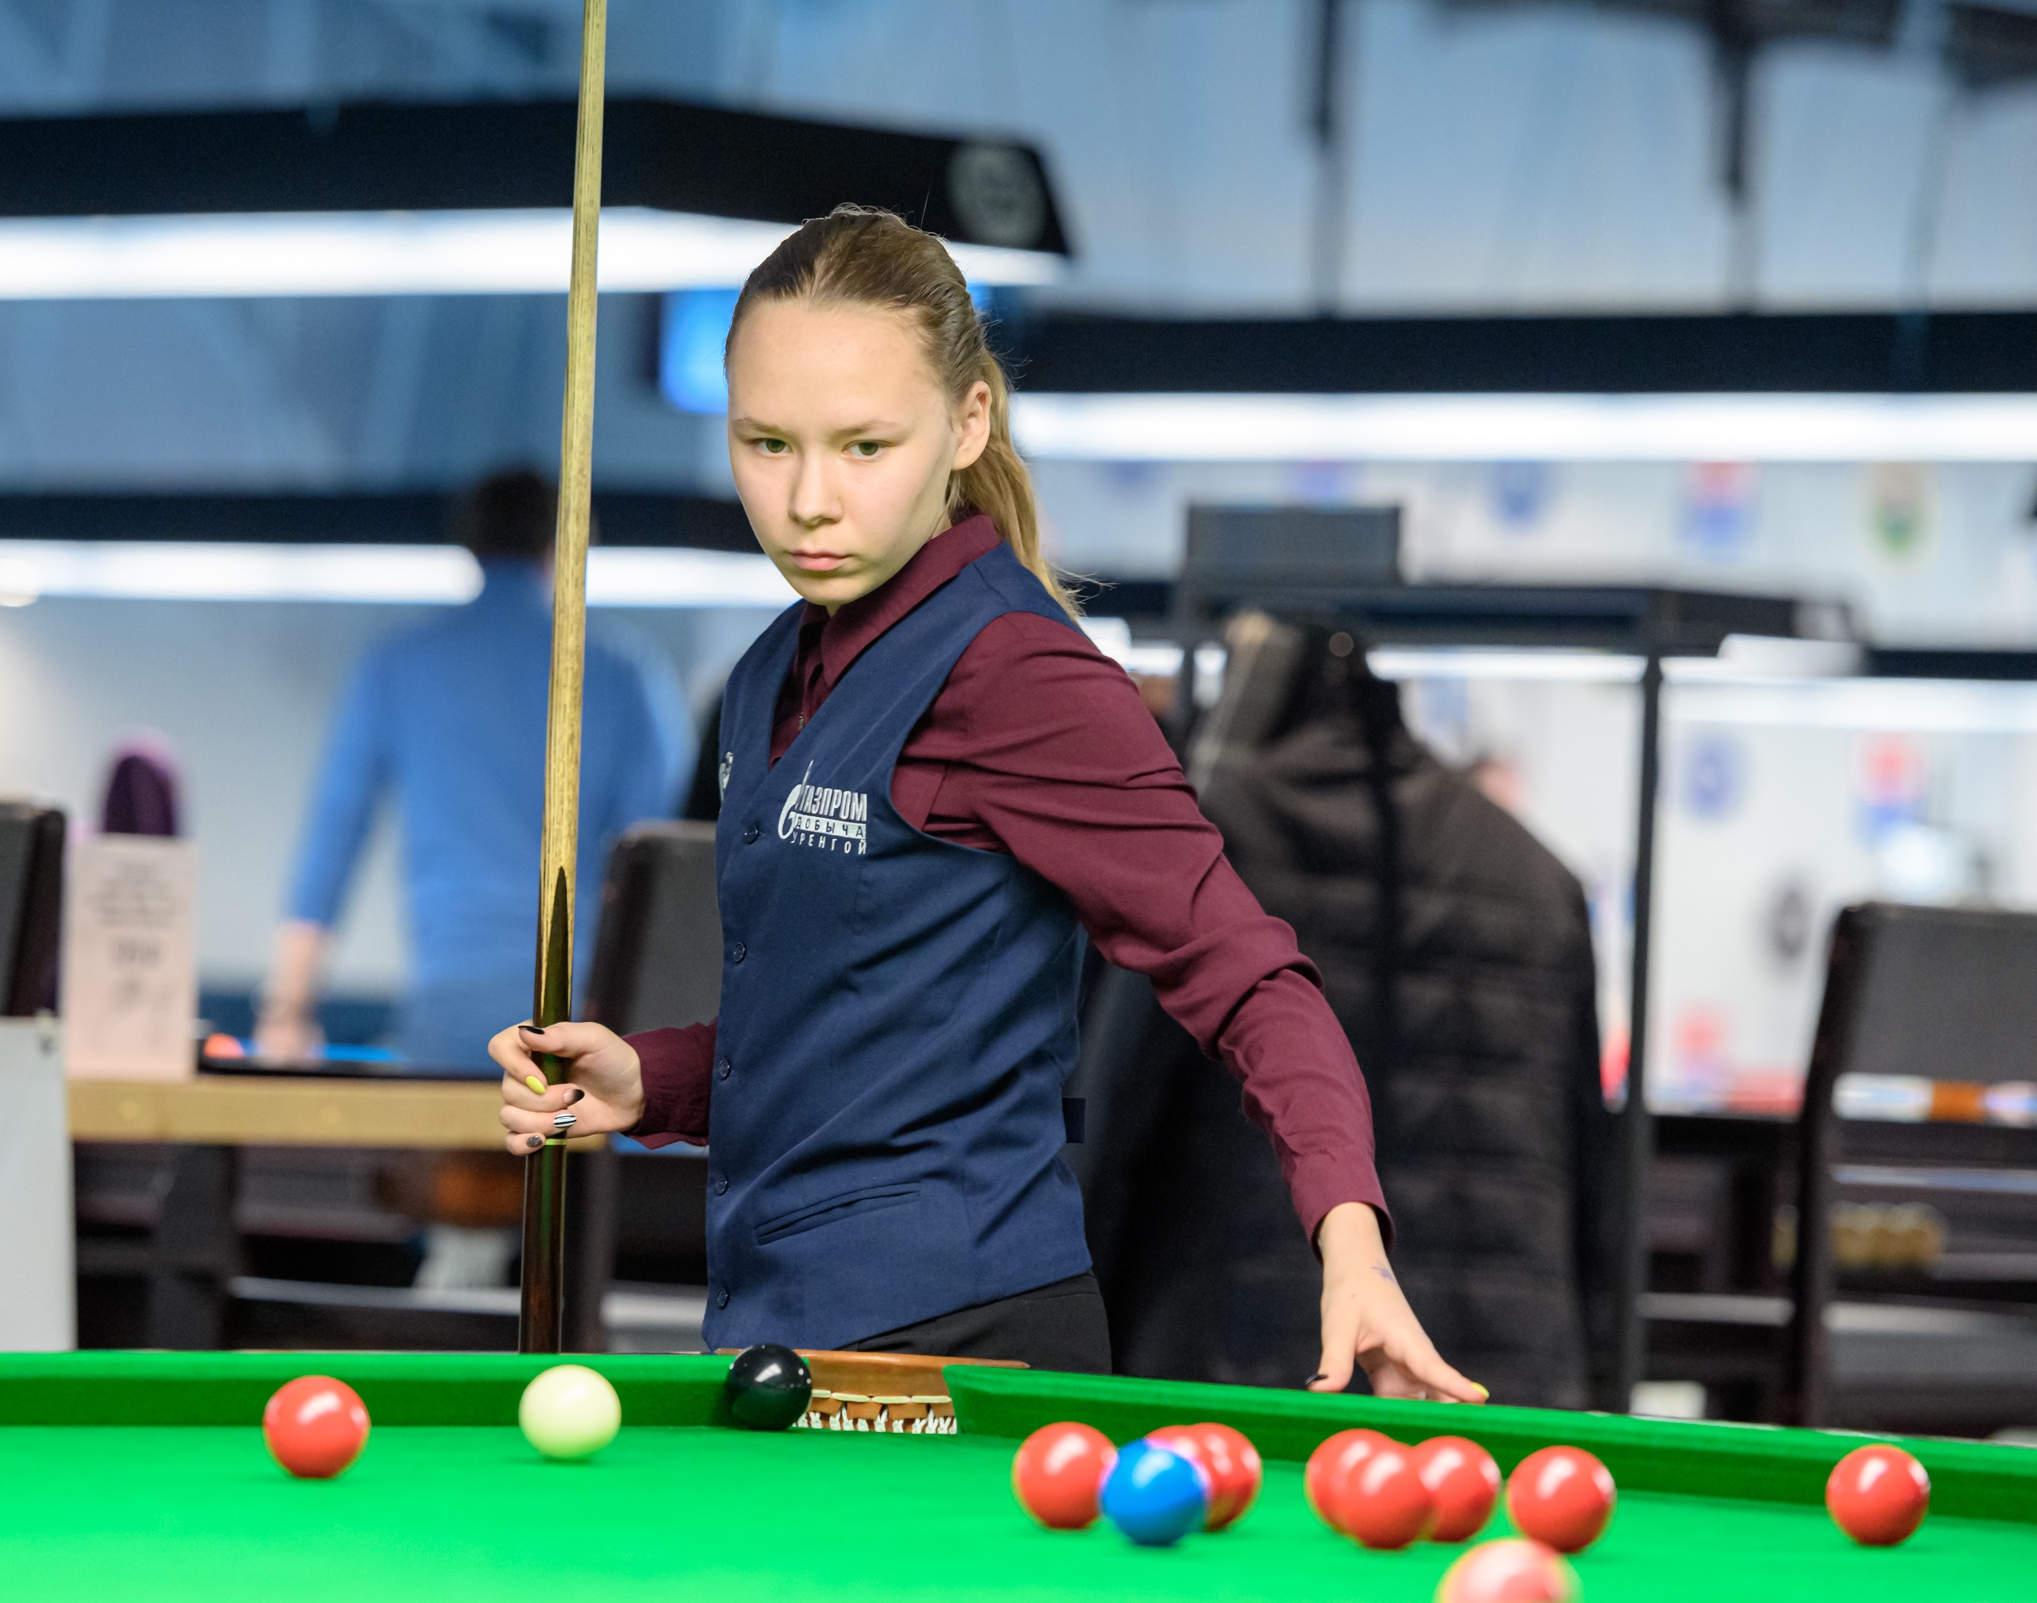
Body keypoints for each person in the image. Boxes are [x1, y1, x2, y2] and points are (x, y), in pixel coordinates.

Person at [490, 208, 1480, 1397]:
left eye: (865, 446)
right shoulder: (770, 673)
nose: (809, 499)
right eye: (768, 443)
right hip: (779, 1336)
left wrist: (1351, 1239)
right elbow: (845, 1029)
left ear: (968, 423)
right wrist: (650, 1079)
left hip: (960, 1345)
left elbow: (1247, 971)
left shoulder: (1021, 674)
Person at [259, 470, 688, 1070]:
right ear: (572, 544)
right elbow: (661, 859)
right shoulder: (626, 671)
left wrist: (287, 1012)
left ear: (469, 544)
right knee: (564, 1132)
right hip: (579, 1016)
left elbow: (336, 834)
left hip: (448, 1020)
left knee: (445, 1136)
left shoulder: (398, 666)